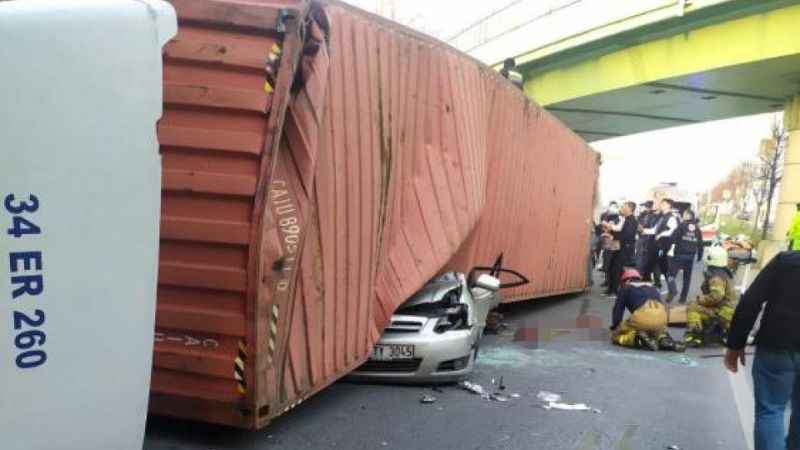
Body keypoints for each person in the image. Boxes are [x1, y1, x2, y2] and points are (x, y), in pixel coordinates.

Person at [724, 251, 800, 450]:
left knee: (771, 410)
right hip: (780, 346)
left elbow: (751, 300)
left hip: (778, 344)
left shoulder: (786, 261)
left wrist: (735, 344)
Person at [609, 268, 684, 352]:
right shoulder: (652, 287)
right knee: (655, 331)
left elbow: (618, 310)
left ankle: (637, 338)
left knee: (617, 335)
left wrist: (616, 327)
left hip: (642, 317)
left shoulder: (626, 288)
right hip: (661, 318)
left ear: (627, 280)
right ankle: (663, 339)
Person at [683, 246, 737, 348]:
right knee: (699, 306)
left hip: (723, 313)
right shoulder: (724, 273)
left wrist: (700, 300)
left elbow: (716, 296)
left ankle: (695, 335)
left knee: (692, 306)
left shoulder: (716, 277)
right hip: (727, 311)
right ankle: (709, 332)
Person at [641, 198, 680, 293]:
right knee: (654, 265)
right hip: (657, 246)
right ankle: (653, 286)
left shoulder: (671, 217)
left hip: (663, 247)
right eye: (661, 203)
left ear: (669, 206)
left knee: (659, 265)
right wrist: (644, 230)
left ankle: (668, 288)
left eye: (663, 204)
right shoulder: (662, 217)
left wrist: (661, 234)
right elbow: (655, 230)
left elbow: (673, 231)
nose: (661, 205)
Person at [668, 209, 704, 304]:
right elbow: (700, 243)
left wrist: (667, 248)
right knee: (687, 278)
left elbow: (672, 238)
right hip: (691, 256)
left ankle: (673, 291)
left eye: (684, 214)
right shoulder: (697, 228)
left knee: (671, 275)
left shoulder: (681, 226)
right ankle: (683, 298)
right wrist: (700, 255)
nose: (682, 216)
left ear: (688, 216)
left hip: (679, 254)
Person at [603, 201, 638, 295]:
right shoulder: (625, 219)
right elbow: (619, 230)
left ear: (630, 209)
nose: (622, 208)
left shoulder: (632, 221)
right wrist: (610, 233)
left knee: (617, 269)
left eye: (624, 207)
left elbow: (627, 235)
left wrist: (613, 237)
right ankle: (611, 289)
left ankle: (616, 291)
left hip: (624, 249)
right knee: (611, 266)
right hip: (618, 246)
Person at [634, 201, 654, 269]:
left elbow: (651, 227)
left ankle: (640, 271)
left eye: (646, 206)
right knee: (639, 255)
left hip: (647, 238)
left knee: (642, 256)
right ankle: (638, 270)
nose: (645, 208)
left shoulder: (652, 215)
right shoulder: (642, 214)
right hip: (641, 237)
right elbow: (638, 223)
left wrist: (642, 228)